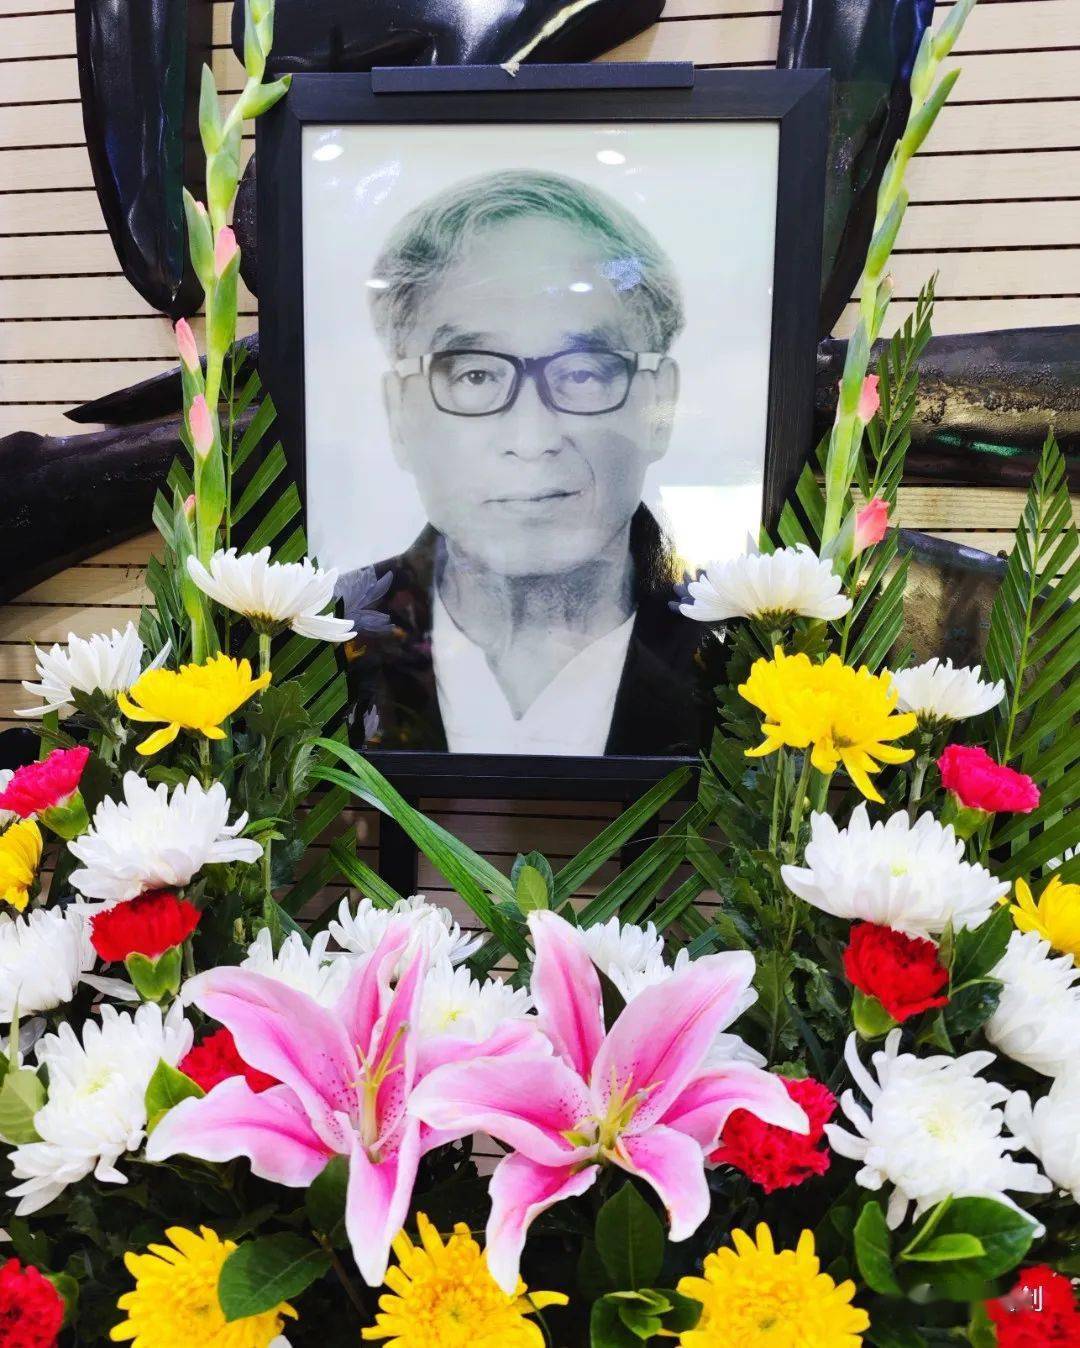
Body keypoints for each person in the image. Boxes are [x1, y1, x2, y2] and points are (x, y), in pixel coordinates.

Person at [336, 168, 713, 757]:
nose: (532, 439)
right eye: (475, 375)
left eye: (582, 373)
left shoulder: (748, 653)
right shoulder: (315, 640)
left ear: (657, 405)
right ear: (400, 415)